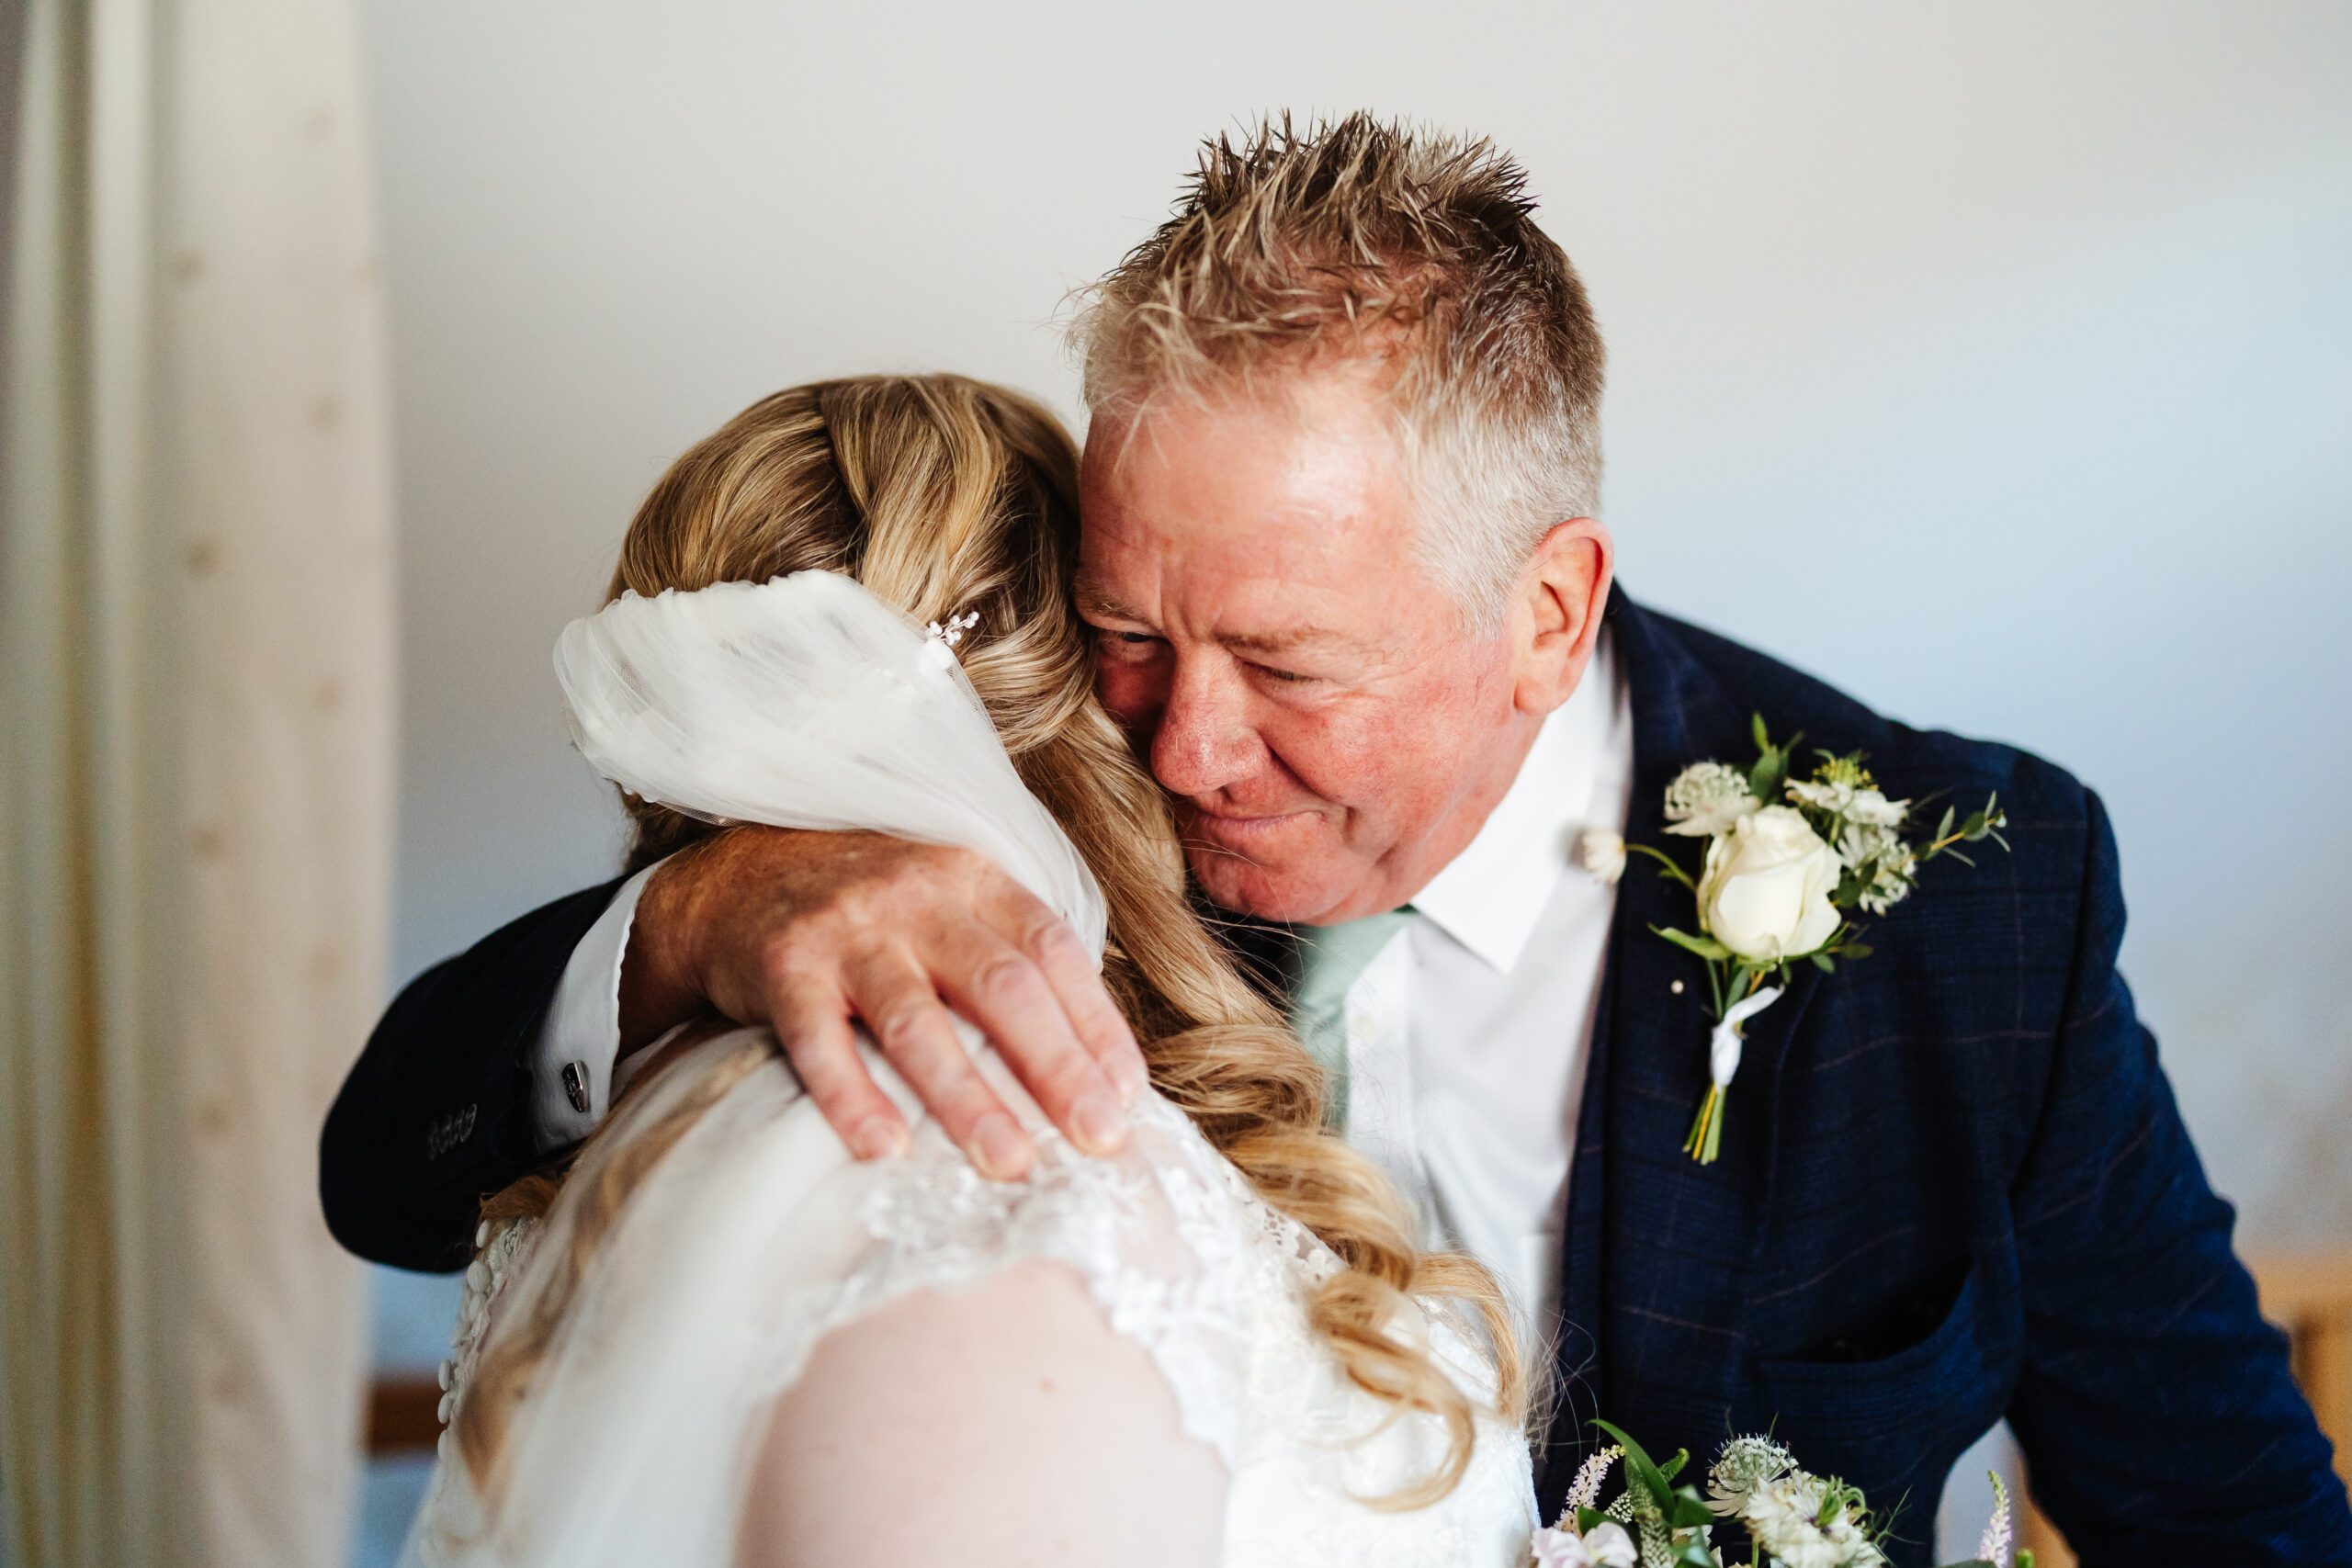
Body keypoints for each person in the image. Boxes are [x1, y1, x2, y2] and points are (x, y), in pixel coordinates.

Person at [327, 116, 2352, 1564]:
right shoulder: (1025, 840)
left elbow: (2226, 1516)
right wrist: (690, 907)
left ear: (1542, 611)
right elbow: (387, 1167)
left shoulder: (1963, 903)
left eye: (1285, 661)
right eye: (1129, 630)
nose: (1186, 745)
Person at [400, 374, 1538, 1567]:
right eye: (1132, 642)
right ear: (1076, 704)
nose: (1196, 737)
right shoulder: (992, 1182)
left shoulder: (646, 1101)